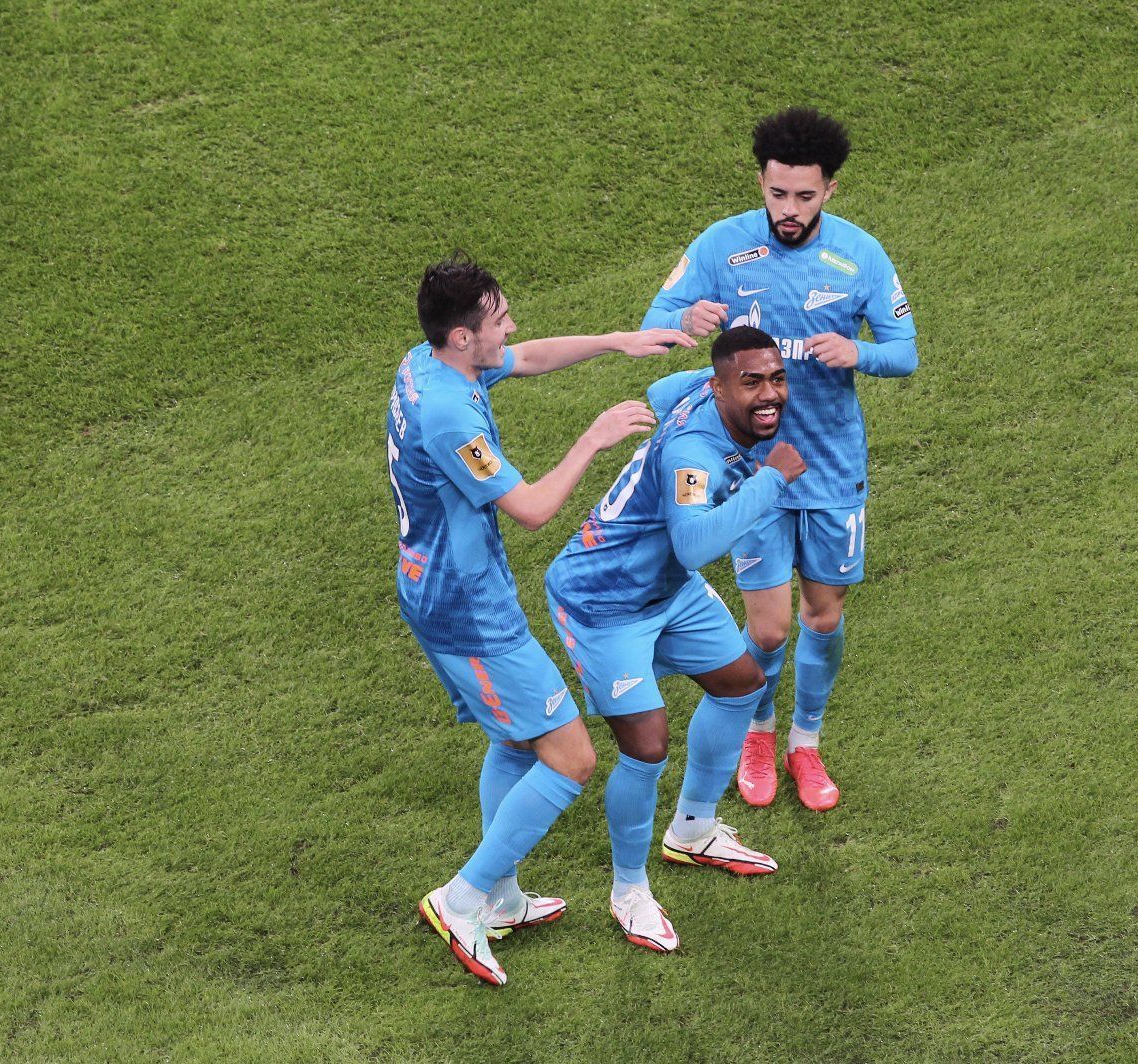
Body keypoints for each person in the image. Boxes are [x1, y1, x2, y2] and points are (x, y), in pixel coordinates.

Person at [389, 252, 691, 986]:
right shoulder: (448, 415)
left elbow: (527, 358)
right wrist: (593, 438)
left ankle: (500, 897)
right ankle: (461, 899)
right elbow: (529, 510)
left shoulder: (429, 363)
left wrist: (617, 340)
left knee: (518, 743)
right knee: (572, 757)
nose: (511, 327)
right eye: (498, 319)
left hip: (443, 589)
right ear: (463, 337)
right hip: (468, 612)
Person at [639, 107, 919, 811]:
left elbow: (905, 351)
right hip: (753, 469)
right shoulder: (720, 247)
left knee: (823, 617)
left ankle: (806, 741)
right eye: (775, 194)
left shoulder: (862, 256)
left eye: (803, 196)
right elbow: (650, 325)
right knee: (767, 627)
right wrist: (683, 322)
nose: (787, 210)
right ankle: (759, 730)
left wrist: (861, 353)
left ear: (831, 190)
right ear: (761, 184)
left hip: (830, 467)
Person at [543, 326, 805, 953]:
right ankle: (628, 890)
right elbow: (693, 543)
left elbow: (662, 387)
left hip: (668, 589)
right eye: (751, 383)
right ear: (720, 387)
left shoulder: (693, 390)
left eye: (776, 379)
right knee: (646, 746)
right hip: (603, 602)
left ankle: (693, 829)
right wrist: (772, 481)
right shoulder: (694, 456)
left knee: (741, 682)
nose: (769, 395)